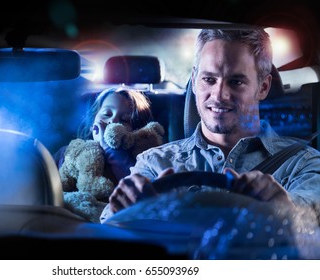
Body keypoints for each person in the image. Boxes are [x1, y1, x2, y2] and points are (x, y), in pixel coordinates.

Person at [100, 28, 320, 223]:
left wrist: (285, 212)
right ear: (194, 79)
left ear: (263, 87)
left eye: (236, 82)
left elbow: (311, 214)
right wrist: (123, 209)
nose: (219, 95)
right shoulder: (155, 162)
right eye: (209, 79)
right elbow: (109, 226)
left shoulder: (302, 164)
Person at [53, 87, 165, 222]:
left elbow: (135, 186)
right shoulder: (69, 152)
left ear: (137, 130)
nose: (113, 121)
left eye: (124, 120)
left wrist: (109, 149)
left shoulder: (141, 160)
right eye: (106, 114)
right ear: (93, 121)